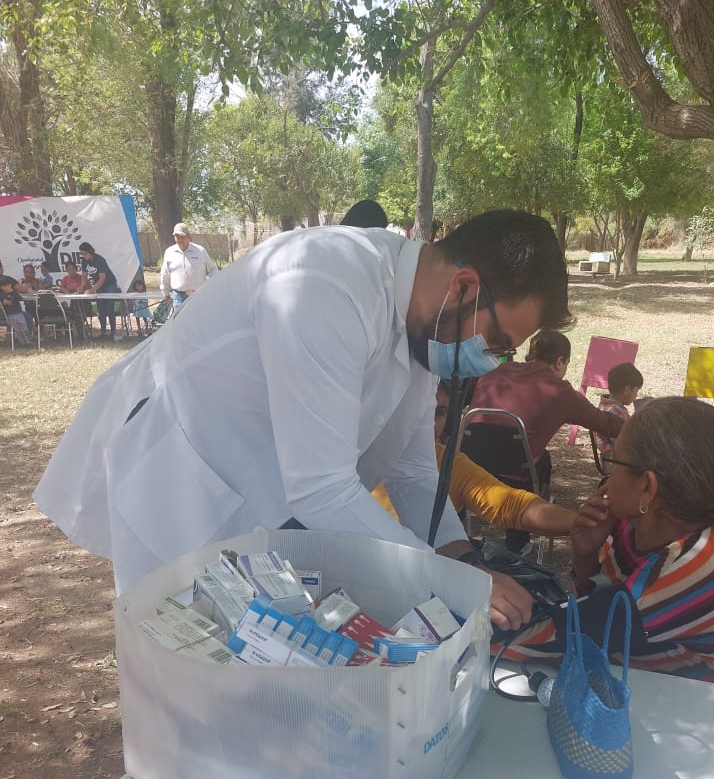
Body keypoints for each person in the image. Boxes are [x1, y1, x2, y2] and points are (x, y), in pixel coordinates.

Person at [34, 209, 569, 632]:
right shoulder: (324, 284)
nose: (489, 361)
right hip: (179, 479)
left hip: (262, 496)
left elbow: (413, 473)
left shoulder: (427, 326)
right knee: (183, 657)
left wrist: (464, 560)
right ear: (463, 287)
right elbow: (321, 488)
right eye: (494, 341)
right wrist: (446, 581)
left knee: (262, 664)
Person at [570, 397, 714, 687]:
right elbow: (592, 610)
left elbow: (572, 640)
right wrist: (585, 556)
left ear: (647, 487)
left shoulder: (693, 564)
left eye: (614, 462)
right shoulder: (632, 528)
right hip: (657, 690)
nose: (609, 478)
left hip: (707, 705)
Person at [373, 381, 590, 547]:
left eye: (439, 412)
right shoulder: (360, 456)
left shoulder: (450, 464)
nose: (429, 423)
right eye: (418, 410)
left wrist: (579, 523)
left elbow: (508, 503)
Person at [465, 329, 625, 552]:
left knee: (529, 456)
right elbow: (604, 422)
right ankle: (518, 541)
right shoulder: (560, 391)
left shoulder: (495, 371)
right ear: (559, 362)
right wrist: (637, 423)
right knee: (541, 461)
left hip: (470, 465)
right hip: (516, 474)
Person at [159, 223, 216, 313]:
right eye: (177, 237)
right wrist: (165, 293)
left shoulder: (200, 251)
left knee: (200, 319)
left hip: (199, 295)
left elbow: (213, 269)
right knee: (181, 321)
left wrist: (210, 285)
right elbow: (165, 274)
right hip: (179, 297)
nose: (180, 239)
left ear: (189, 237)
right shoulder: (169, 252)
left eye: (182, 236)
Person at [596, 362, 644, 456]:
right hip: (618, 459)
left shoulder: (603, 405)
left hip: (607, 457)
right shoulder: (618, 412)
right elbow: (629, 439)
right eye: (636, 391)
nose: (636, 395)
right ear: (627, 390)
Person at [79, 242, 121, 341]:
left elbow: (102, 279)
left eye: (85, 254)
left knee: (110, 308)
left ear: (90, 252)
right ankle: (103, 333)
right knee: (100, 308)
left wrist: (92, 290)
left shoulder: (100, 260)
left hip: (110, 284)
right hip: (99, 285)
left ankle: (113, 332)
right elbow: (84, 276)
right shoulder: (84, 261)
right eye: (81, 254)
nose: (83, 256)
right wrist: (81, 287)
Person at [58, 261, 91, 339]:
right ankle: (69, 334)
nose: (71, 272)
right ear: (66, 270)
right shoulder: (65, 279)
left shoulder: (82, 278)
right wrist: (65, 290)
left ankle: (82, 334)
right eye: (69, 270)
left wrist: (81, 292)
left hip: (83, 304)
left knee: (78, 313)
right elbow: (61, 289)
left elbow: (89, 290)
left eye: (73, 269)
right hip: (71, 305)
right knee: (63, 310)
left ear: (76, 269)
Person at [0, 276, 32, 344]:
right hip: (9, 314)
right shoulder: (2, 294)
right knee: (19, 328)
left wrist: (12, 292)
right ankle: (21, 341)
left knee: (24, 325)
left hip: (18, 312)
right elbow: (7, 302)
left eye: (8, 285)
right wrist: (9, 295)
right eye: (4, 286)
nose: (7, 287)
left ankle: (28, 341)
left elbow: (20, 298)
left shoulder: (13, 292)